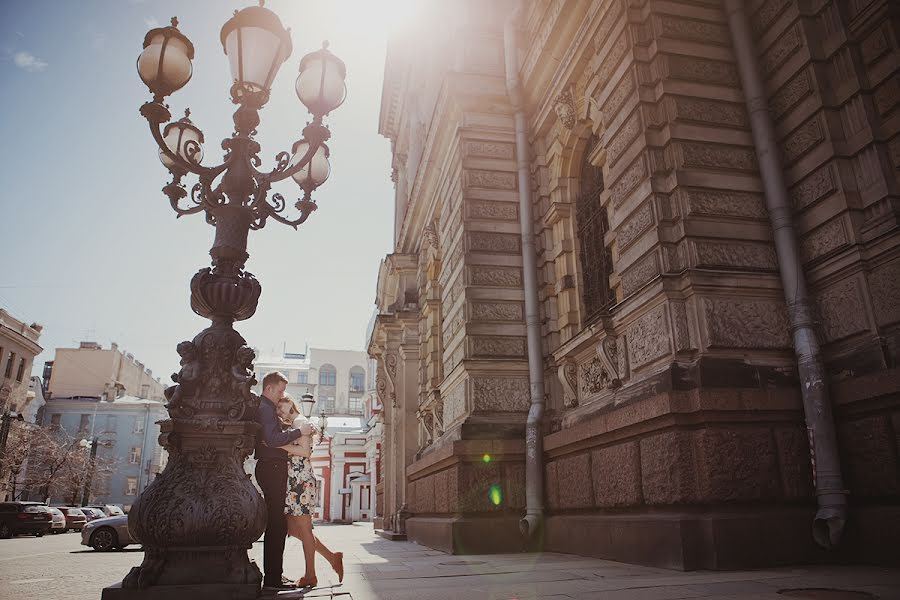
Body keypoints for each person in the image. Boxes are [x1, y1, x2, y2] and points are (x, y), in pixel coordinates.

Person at [276, 393, 344, 588]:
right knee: (292, 529)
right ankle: (332, 558)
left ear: (290, 402)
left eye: (281, 406)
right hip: (295, 480)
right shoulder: (295, 424)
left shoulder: (300, 422)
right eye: (277, 409)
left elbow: (305, 451)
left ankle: (311, 575)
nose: (279, 411)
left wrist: (278, 444)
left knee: (304, 529)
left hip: (301, 480)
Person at [254, 371, 306, 591]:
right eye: (280, 390)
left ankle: (275, 576)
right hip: (272, 468)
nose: (282, 395)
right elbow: (272, 439)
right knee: (277, 525)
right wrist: (298, 432)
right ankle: (274, 579)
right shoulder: (266, 409)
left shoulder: (264, 408)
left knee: (277, 524)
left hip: (270, 468)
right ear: (269, 389)